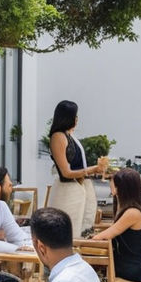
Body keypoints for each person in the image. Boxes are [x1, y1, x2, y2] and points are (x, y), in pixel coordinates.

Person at [46, 100, 109, 237]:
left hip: (79, 188)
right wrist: (92, 169)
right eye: (75, 115)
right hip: (68, 190)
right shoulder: (58, 137)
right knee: (69, 231)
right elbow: (66, 172)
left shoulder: (69, 136)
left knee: (81, 229)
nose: (77, 119)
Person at [93, 168, 141, 282]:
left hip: (136, 267)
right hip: (130, 264)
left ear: (120, 187)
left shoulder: (132, 212)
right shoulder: (125, 208)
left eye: (112, 182)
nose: (110, 184)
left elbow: (104, 236)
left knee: (90, 264)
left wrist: (90, 239)